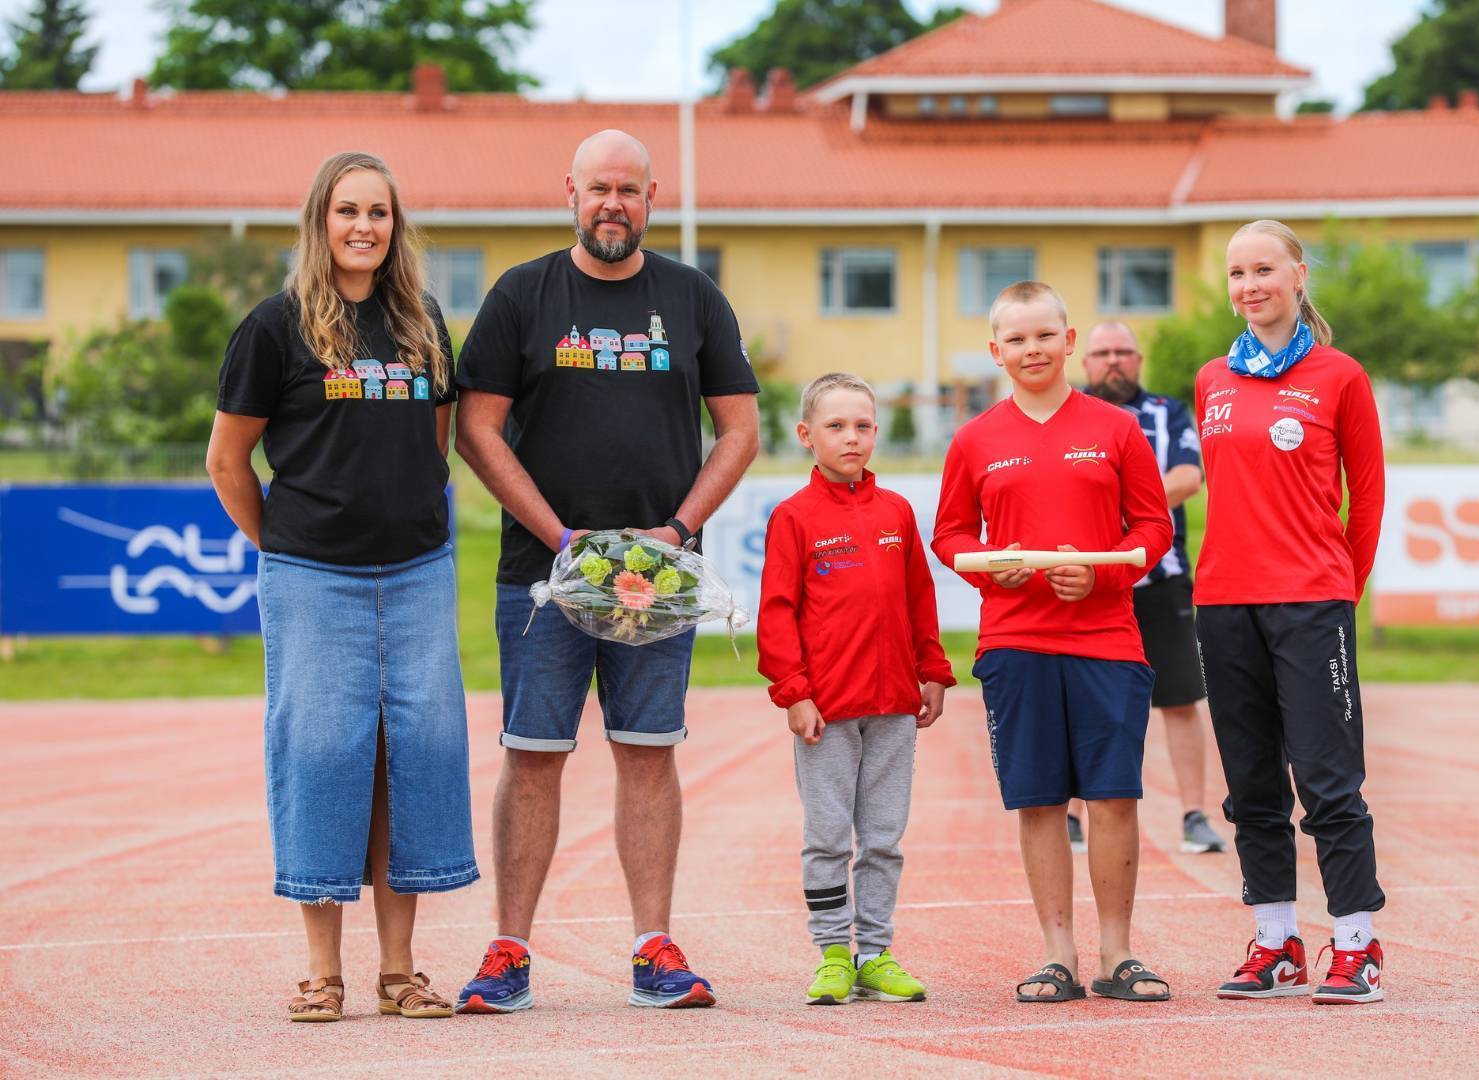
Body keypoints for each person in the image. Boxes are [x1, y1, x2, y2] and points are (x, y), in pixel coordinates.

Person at [452, 129, 760, 1012]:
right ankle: (508, 949)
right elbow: (476, 429)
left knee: (647, 752)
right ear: (571, 193)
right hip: (544, 576)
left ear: (652, 196)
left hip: (656, 580)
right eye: (597, 189)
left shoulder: (693, 298)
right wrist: (561, 540)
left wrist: (677, 530)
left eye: (628, 189)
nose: (611, 204)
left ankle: (654, 948)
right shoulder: (521, 295)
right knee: (533, 757)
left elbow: (739, 431)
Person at [207, 150, 476, 1023]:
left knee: (417, 757)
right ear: (319, 221)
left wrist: (394, 519)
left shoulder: (422, 324)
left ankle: (399, 970)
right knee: (322, 757)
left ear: (396, 228)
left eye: (380, 213)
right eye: (347, 211)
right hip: (312, 579)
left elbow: (435, 443)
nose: (364, 226)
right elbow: (226, 458)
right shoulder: (274, 327)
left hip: (416, 575)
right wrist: (285, 543)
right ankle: (322, 970)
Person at [933, 280, 1174, 1004]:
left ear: (1069, 342)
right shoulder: (975, 439)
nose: (1031, 349)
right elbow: (948, 535)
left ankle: (1118, 954)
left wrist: (1098, 580)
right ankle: (1057, 954)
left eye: (1044, 335)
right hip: (1014, 641)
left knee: (1112, 798)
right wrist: (990, 571)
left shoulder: (1114, 429)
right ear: (995, 351)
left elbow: (1152, 528)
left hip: (1107, 637)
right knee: (1039, 801)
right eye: (1016, 339)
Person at [1195, 219, 1386, 1005]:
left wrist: (1341, 588)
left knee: (1327, 781)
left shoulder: (1340, 375)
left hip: (1310, 601)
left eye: (1264, 269)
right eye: (1237, 273)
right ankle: (1274, 940)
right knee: (1250, 786)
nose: (1249, 286)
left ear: (1298, 275)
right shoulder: (1210, 379)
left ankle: (1356, 945)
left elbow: (1366, 496)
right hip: (1222, 602)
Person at [756, 373, 956, 1006]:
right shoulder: (793, 517)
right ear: (806, 435)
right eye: (836, 426)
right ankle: (833, 954)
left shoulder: (897, 512)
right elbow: (777, 610)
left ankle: (874, 953)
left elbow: (920, 597)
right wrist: (794, 692)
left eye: (863, 425)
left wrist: (933, 670)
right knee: (826, 836)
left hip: (895, 703)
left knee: (883, 838)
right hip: (827, 709)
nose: (852, 437)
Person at [1068, 321, 1227, 856]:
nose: (1112, 361)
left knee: (1181, 699)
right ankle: (1069, 812)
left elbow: (1188, 476)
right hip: (1083, 580)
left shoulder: (1167, 411)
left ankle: (1194, 815)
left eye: (1122, 352)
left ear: (1138, 359)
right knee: (1078, 698)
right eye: (1101, 353)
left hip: (1159, 577)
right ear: (1085, 361)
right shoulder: (1065, 411)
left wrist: (1119, 503)